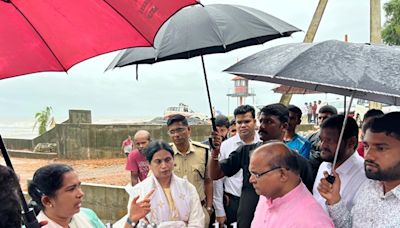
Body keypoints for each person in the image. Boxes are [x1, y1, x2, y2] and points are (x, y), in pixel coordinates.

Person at [209, 103, 314, 228]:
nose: (262, 126)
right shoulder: (245, 152)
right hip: (247, 221)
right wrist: (215, 153)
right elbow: (215, 174)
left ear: (284, 126)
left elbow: (306, 201)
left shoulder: (299, 163)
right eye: (261, 121)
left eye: (269, 122)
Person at [318, 112, 400, 227]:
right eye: (366, 146)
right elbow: (350, 225)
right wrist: (335, 200)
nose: (368, 155)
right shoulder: (370, 186)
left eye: (380, 148)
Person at [250, 142, 334, 228]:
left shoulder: (313, 222)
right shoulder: (267, 195)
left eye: (257, 175)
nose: (251, 180)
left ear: (282, 174)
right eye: (251, 173)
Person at [124, 140, 204, 227]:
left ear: (173, 160)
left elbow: (197, 222)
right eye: (158, 161)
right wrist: (132, 219)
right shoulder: (140, 191)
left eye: (167, 160)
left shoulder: (188, 188)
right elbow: (131, 223)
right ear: (149, 164)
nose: (164, 166)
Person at [213, 105, 260, 227]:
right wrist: (219, 210)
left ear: (254, 122)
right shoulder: (226, 146)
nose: (243, 125)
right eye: (239, 122)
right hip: (233, 202)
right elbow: (218, 180)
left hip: (258, 201)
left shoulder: (263, 144)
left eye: (247, 121)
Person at [312, 115, 367, 212]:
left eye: (329, 140)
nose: (322, 146)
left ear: (351, 142)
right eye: (321, 140)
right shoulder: (324, 165)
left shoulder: (364, 177)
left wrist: (335, 202)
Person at [167, 114, 213, 228]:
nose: (176, 135)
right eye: (172, 132)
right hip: (173, 213)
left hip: (199, 211)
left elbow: (208, 181)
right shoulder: (165, 155)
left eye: (179, 130)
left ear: (189, 130)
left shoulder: (204, 152)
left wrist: (209, 208)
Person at [28, 164, 106, 228]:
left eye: (79, 186)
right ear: (47, 201)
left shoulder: (88, 216)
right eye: (71, 189)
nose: (81, 194)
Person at [306, 105, 338, 178]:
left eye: (326, 118)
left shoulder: (339, 139)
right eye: (320, 118)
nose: (322, 120)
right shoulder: (311, 137)